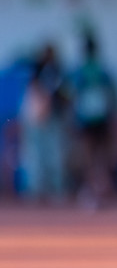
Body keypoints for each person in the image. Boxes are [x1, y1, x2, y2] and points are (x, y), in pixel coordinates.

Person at [68, 32, 117, 209]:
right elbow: (112, 95)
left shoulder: (79, 71)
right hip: (102, 118)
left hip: (86, 119)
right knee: (101, 156)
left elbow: (72, 95)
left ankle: (90, 190)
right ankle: (102, 189)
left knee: (88, 156)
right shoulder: (103, 70)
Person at [19, 43, 67, 201]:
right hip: (35, 120)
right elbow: (33, 96)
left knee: (53, 155)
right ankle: (34, 190)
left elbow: (63, 95)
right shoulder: (36, 72)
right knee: (34, 157)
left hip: (52, 120)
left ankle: (55, 190)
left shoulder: (57, 72)